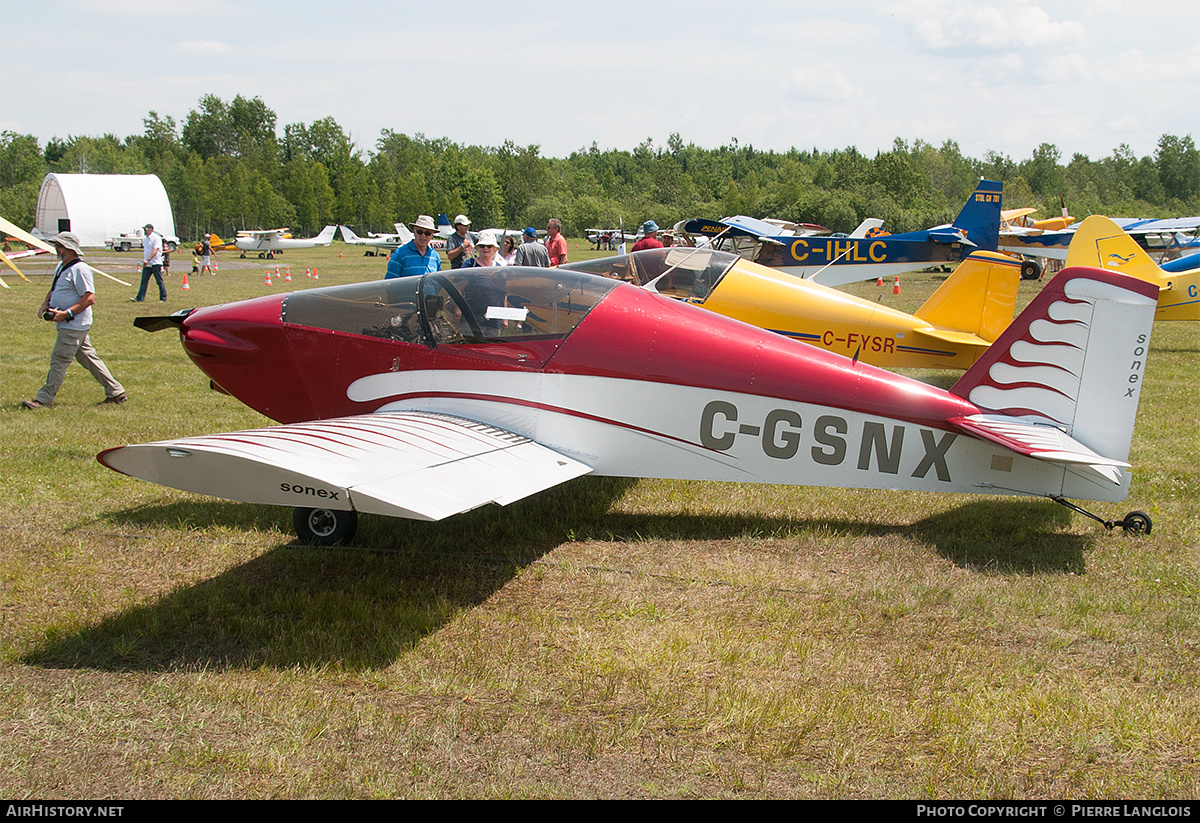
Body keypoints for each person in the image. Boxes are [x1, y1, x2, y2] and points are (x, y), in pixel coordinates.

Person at [22, 232, 126, 409]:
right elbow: (55, 288)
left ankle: (43, 400)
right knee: (88, 358)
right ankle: (115, 392)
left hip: (73, 324)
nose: (56, 248)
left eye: (59, 246)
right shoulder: (62, 266)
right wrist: (45, 304)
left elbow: (89, 298)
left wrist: (66, 313)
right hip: (69, 323)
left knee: (59, 360)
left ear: (69, 248)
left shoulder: (81, 269)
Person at [386, 215, 443, 279]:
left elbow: (437, 282)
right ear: (414, 231)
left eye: (427, 233)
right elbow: (389, 282)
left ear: (432, 235)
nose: (423, 236)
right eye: (420, 232)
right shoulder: (400, 254)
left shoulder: (435, 256)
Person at [134, 222, 166, 301]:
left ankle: (163, 298)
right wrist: (145, 261)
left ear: (151, 230)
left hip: (155, 263)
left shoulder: (156, 238)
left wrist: (148, 259)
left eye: (146, 229)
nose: (145, 231)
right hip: (147, 264)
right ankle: (139, 298)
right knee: (144, 281)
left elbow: (155, 250)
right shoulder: (146, 239)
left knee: (159, 281)